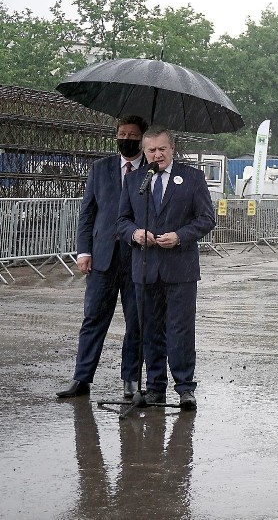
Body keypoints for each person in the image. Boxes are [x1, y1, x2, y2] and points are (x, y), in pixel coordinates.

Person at [117, 125, 215, 410]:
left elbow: (206, 219)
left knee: (180, 330)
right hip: (145, 268)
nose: (157, 154)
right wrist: (135, 234)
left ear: (172, 148)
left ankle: (185, 388)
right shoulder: (137, 180)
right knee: (149, 330)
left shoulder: (192, 177)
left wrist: (180, 236)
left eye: (162, 149)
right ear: (144, 152)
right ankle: (155, 387)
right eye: (151, 150)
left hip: (180, 268)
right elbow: (122, 220)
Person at [57, 115, 148, 399]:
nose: (126, 138)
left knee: (137, 322)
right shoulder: (100, 168)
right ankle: (82, 378)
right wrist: (83, 251)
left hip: (138, 258)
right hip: (102, 258)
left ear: (142, 139)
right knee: (94, 318)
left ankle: (130, 380)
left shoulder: (152, 171)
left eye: (133, 134)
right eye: (122, 133)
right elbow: (87, 213)